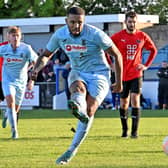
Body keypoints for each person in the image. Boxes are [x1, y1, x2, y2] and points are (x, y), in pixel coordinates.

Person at [31, 6, 123, 165]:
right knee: (77, 89)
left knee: (90, 110)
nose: (76, 26)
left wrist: (119, 81)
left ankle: (72, 149)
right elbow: (46, 55)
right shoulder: (60, 35)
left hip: (99, 74)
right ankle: (77, 106)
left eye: (80, 22)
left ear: (84, 21)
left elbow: (117, 55)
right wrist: (36, 69)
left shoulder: (95, 34)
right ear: (66, 21)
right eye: (72, 22)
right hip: (78, 71)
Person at [111, 11, 157, 138]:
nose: (132, 24)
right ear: (125, 22)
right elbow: (105, 49)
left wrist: (146, 65)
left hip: (136, 74)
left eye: (134, 22)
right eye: (130, 21)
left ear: (137, 22)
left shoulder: (142, 36)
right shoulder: (117, 36)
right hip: (121, 75)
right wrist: (111, 64)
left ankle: (134, 132)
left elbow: (153, 50)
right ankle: (124, 130)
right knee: (124, 102)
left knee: (135, 100)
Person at [0, 26, 38, 139]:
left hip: (21, 81)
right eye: (13, 35)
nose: (15, 38)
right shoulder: (3, 49)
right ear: (8, 37)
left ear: (21, 37)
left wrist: (32, 80)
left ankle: (7, 115)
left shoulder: (26, 49)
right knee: (10, 102)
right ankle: (14, 131)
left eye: (17, 35)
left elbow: (36, 62)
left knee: (15, 109)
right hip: (7, 80)